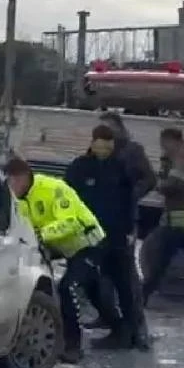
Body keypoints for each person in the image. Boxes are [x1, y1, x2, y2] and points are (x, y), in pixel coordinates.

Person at [4, 156, 109, 364]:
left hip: (87, 243)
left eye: (12, 182)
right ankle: (116, 322)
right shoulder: (19, 200)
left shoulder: (54, 188)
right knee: (93, 289)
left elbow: (69, 222)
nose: (10, 188)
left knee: (67, 288)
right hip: (63, 247)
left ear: (24, 177)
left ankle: (73, 346)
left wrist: (41, 234)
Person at [64, 124, 139, 349]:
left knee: (123, 284)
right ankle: (113, 323)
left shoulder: (120, 168)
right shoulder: (80, 167)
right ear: (93, 142)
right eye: (101, 143)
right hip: (87, 237)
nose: (104, 148)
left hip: (115, 236)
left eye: (109, 144)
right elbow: (68, 197)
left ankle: (129, 331)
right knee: (86, 282)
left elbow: (129, 200)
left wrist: (129, 229)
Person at [96, 111, 157, 342]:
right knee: (103, 274)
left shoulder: (132, 151)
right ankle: (111, 318)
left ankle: (137, 328)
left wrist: (132, 194)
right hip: (101, 219)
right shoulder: (101, 151)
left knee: (126, 276)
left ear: (119, 128)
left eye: (109, 128)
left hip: (124, 221)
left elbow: (150, 179)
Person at [139, 127, 184, 307]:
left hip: (182, 213)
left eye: (164, 143)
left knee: (160, 255)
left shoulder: (181, 157)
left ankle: (142, 296)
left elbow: (175, 184)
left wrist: (158, 184)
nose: (163, 147)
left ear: (171, 140)